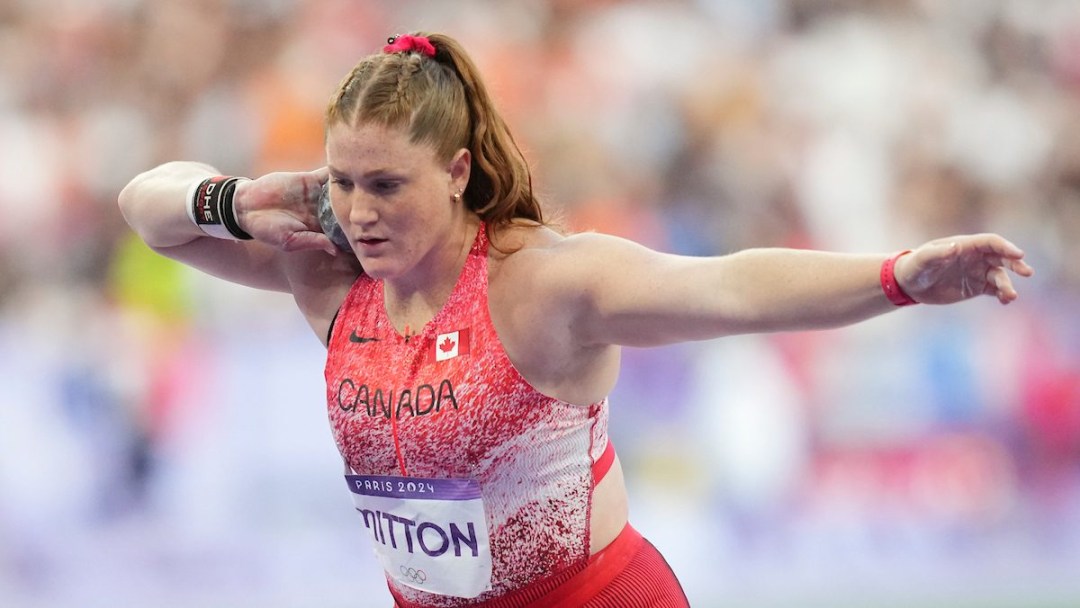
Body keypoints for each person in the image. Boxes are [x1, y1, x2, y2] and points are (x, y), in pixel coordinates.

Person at [117, 31, 1034, 608]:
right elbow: (145, 209)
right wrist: (239, 197)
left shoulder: (543, 285)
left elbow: (730, 288)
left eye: (386, 184)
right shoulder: (333, 281)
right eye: (343, 182)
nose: (358, 211)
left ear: (457, 170)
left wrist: (898, 276)